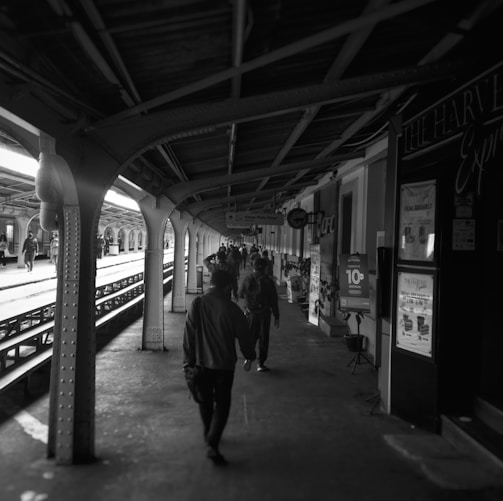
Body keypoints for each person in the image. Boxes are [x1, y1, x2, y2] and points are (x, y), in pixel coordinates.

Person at [183, 270, 256, 466]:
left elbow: (188, 337)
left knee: (205, 402)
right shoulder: (232, 309)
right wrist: (250, 356)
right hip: (224, 366)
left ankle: (209, 435)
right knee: (222, 404)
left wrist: (187, 363)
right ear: (226, 287)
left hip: (201, 363)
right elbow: (244, 337)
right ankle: (212, 442)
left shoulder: (197, 304)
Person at [238, 257, 280, 372]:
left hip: (250, 314)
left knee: (251, 337)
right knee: (263, 339)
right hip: (264, 315)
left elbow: (240, 294)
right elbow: (273, 300)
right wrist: (277, 316)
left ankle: (249, 357)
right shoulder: (268, 281)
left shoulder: (247, 279)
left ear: (253, 267)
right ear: (265, 268)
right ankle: (260, 364)